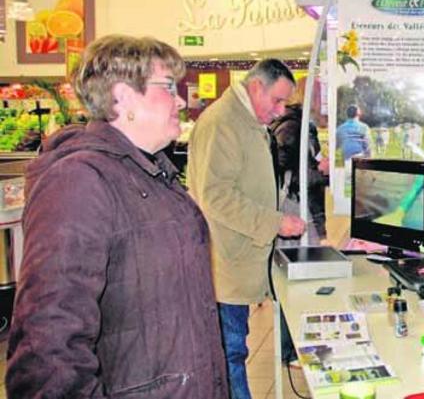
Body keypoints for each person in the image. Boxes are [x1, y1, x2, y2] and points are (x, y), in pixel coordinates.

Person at [6, 35, 228, 398]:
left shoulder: (152, 173)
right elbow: (47, 340)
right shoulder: (78, 180)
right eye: (168, 87)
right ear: (123, 96)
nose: (180, 99)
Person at [187, 59, 306, 399]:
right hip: (226, 261)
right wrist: (275, 222)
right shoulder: (222, 122)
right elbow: (216, 196)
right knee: (230, 354)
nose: (280, 110)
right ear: (256, 87)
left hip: (242, 256)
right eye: (278, 101)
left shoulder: (247, 120)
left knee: (235, 348)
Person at [270, 76, 330, 243]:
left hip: (302, 208)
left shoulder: (296, 125)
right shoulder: (294, 127)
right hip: (300, 211)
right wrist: (321, 171)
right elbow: (289, 175)